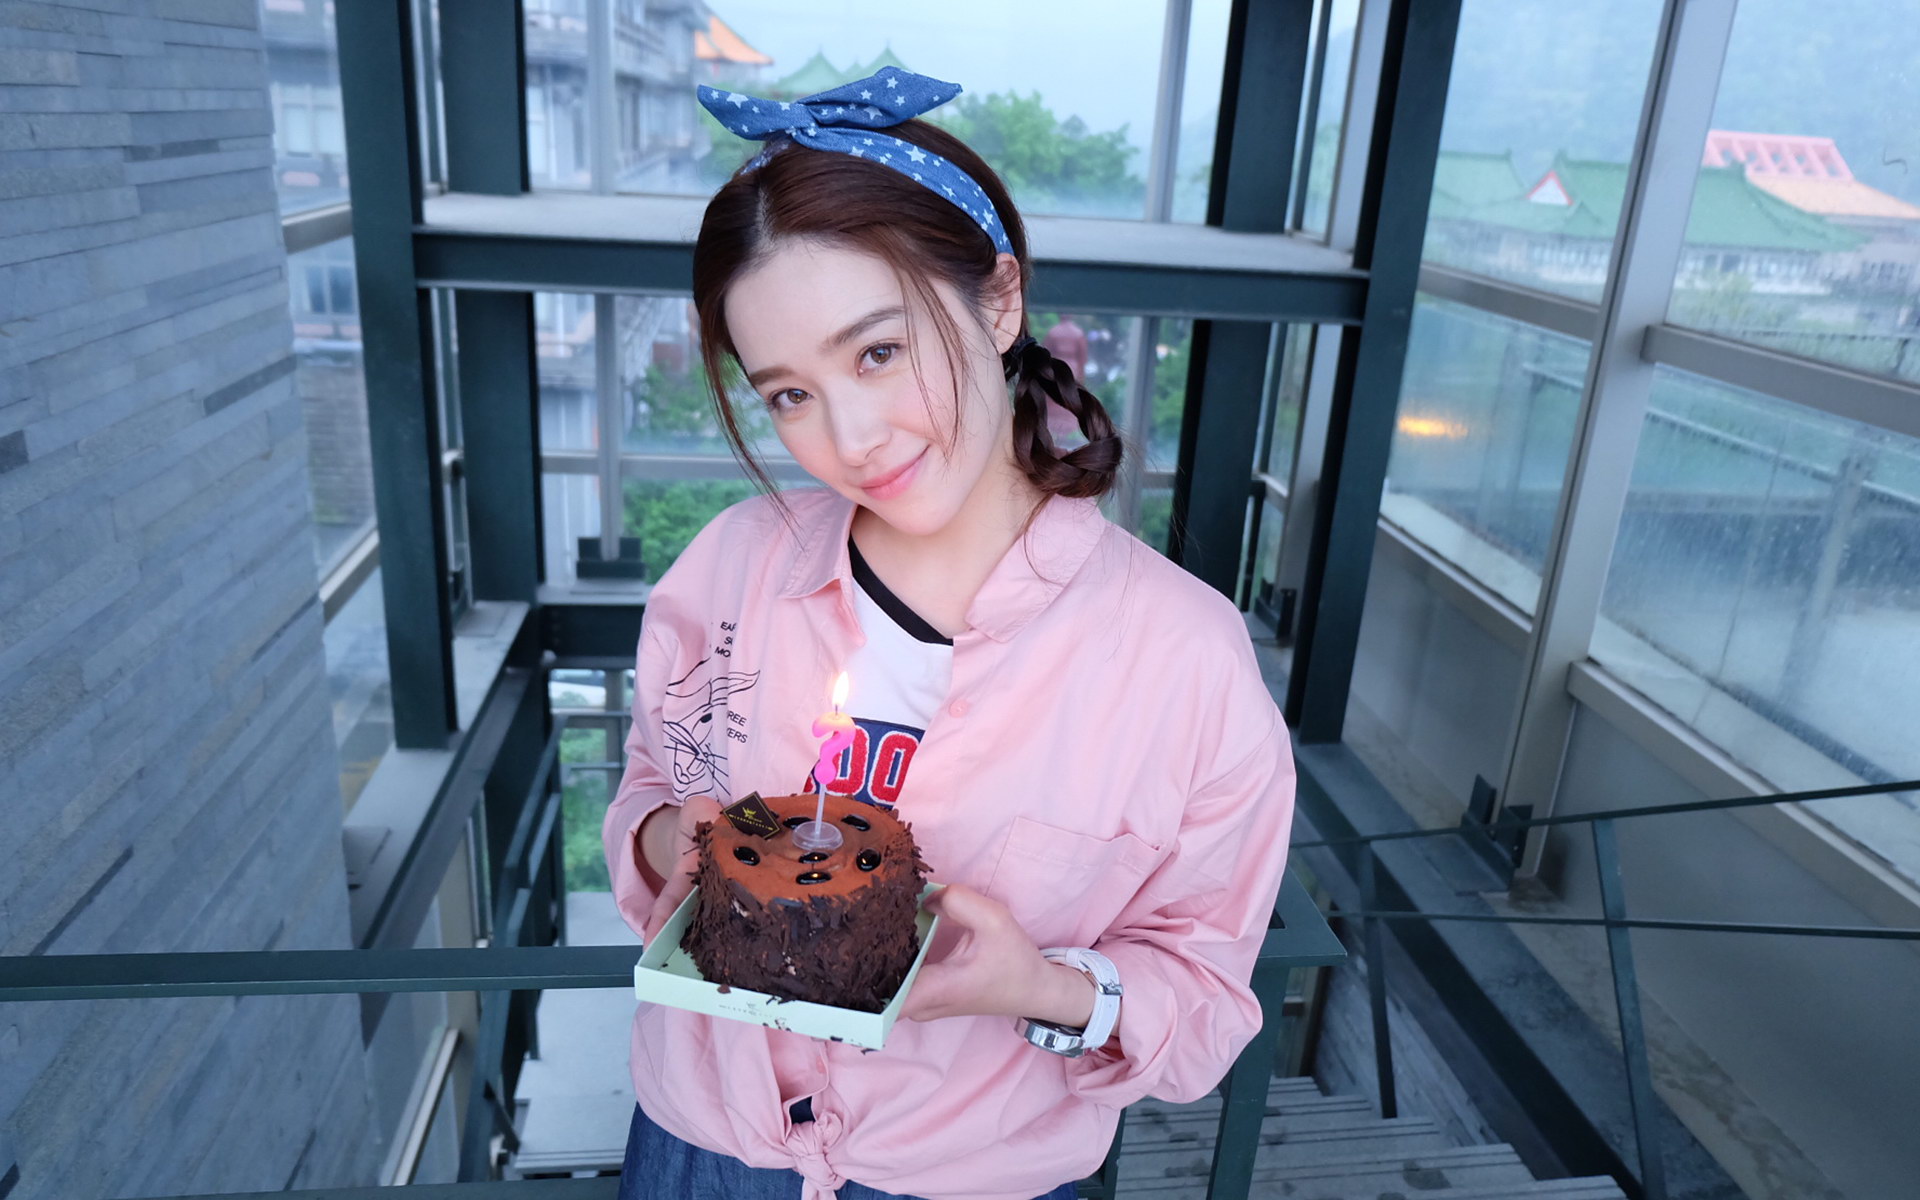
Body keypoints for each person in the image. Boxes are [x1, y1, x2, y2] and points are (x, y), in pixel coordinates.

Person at [603, 64, 1295, 1200]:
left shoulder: (1185, 663)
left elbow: (1207, 994)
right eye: (789, 394)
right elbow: (646, 784)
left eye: (878, 352)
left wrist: (1043, 986)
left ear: (1000, 302)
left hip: (969, 1178)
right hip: (697, 1146)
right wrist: (662, 839)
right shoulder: (728, 571)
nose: (851, 438)